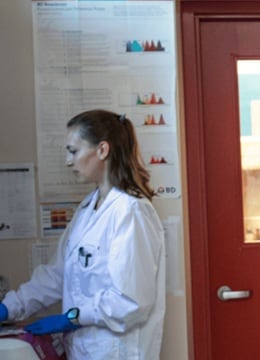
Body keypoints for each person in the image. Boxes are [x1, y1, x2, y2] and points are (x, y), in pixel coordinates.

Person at [0, 109, 166, 359]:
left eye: (73, 151)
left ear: (102, 150)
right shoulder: (89, 207)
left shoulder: (130, 211)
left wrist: (72, 318)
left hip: (117, 352)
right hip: (85, 350)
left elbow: (131, 301)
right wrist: (9, 307)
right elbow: (57, 275)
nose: (68, 161)